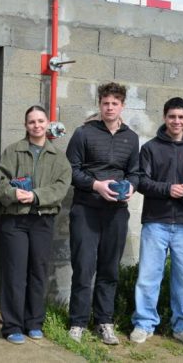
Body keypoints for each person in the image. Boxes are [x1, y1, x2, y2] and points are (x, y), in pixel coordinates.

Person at [130, 97, 183, 347]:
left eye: (181, 117)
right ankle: (143, 323)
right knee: (148, 276)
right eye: (172, 117)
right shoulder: (150, 148)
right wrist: (168, 189)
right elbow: (142, 182)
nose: (176, 121)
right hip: (155, 222)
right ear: (164, 117)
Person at [65, 81, 140, 345]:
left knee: (109, 269)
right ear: (99, 104)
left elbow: (135, 172)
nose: (110, 107)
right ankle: (78, 323)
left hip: (116, 212)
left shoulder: (131, 137)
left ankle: (104, 322)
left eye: (115, 103)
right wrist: (96, 185)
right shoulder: (83, 133)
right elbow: (71, 171)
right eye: (105, 103)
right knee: (84, 267)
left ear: (122, 106)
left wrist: (131, 186)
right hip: (86, 209)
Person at [0, 105, 72, 345]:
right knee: (15, 274)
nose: (36, 125)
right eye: (31, 122)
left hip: (42, 220)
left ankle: (34, 323)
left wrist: (36, 196)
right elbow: (0, 182)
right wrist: (14, 194)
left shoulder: (58, 157)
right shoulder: (13, 151)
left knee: (38, 273)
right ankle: (12, 326)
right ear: (25, 125)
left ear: (47, 123)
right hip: (15, 219)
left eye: (40, 121)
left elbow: (61, 187)